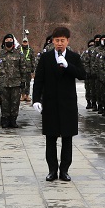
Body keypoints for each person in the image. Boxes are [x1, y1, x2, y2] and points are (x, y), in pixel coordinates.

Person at [32, 26, 86, 182]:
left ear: (68, 41)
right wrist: (36, 99)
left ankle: (64, 171)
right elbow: (39, 80)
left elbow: (83, 75)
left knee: (67, 139)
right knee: (51, 138)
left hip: (68, 104)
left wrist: (68, 66)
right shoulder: (46, 57)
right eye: (57, 40)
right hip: (50, 103)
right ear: (52, 41)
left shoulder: (74, 57)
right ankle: (52, 170)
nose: (60, 43)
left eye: (62, 40)